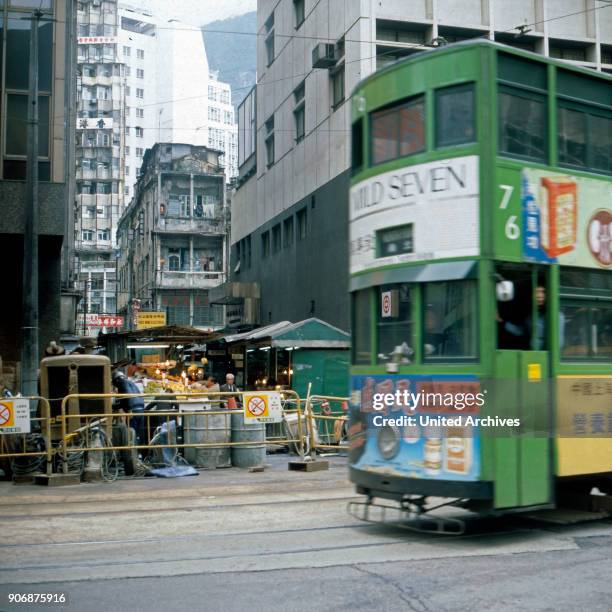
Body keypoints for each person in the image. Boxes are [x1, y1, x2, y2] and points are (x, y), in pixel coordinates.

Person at [112, 370, 145, 443]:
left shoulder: (121, 383)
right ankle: (142, 451)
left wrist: (129, 410)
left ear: (116, 380)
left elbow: (126, 396)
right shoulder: (131, 383)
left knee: (132, 432)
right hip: (140, 409)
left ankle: (134, 450)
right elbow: (124, 401)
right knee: (139, 432)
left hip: (133, 410)